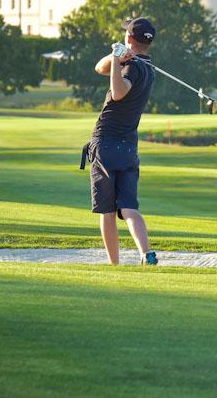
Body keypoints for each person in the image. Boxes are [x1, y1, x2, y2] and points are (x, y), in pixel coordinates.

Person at [85, 17, 159, 266]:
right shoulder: (148, 67)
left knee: (107, 211)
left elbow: (117, 93)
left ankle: (114, 264)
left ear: (129, 38)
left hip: (106, 143)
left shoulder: (131, 67)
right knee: (128, 207)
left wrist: (117, 60)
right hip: (128, 147)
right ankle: (146, 253)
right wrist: (114, 56)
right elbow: (99, 68)